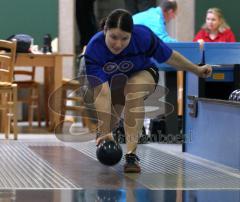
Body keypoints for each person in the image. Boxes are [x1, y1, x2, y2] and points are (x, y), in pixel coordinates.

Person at [84, 9, 212, 173]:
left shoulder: (143, 36)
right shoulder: (95, 48)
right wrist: (105, 129)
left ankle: (131, 155)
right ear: (105, 31)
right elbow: (101, 93)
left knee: (133, 91)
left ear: (132, 34)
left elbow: (171, 57)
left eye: (124, 38)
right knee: (110, 116)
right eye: (113, 37)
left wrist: (196, 70)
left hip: (143, 73)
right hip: (113, 83)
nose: (118, 44)